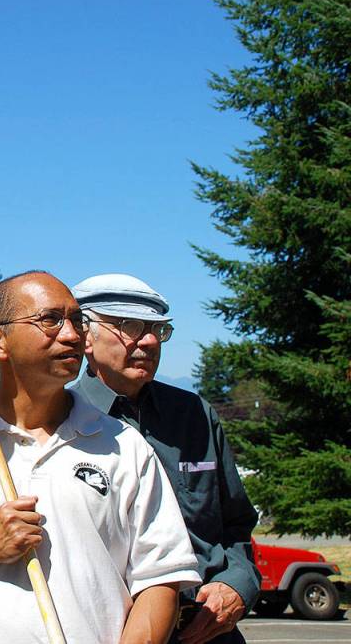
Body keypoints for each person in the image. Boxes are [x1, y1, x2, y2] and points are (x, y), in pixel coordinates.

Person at [0, 271, 201, 644]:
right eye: (50, 320)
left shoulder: (125, 446)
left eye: (78, 320)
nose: (73, 335)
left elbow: (161, 580)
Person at [72, 273, 260, 644]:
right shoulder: (61, 422)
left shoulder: (194, 415)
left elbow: (236, 523)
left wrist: (238, 584)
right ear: (85, 336)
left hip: (208, 631)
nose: (150, 341)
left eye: (159, 329)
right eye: (131, 326)